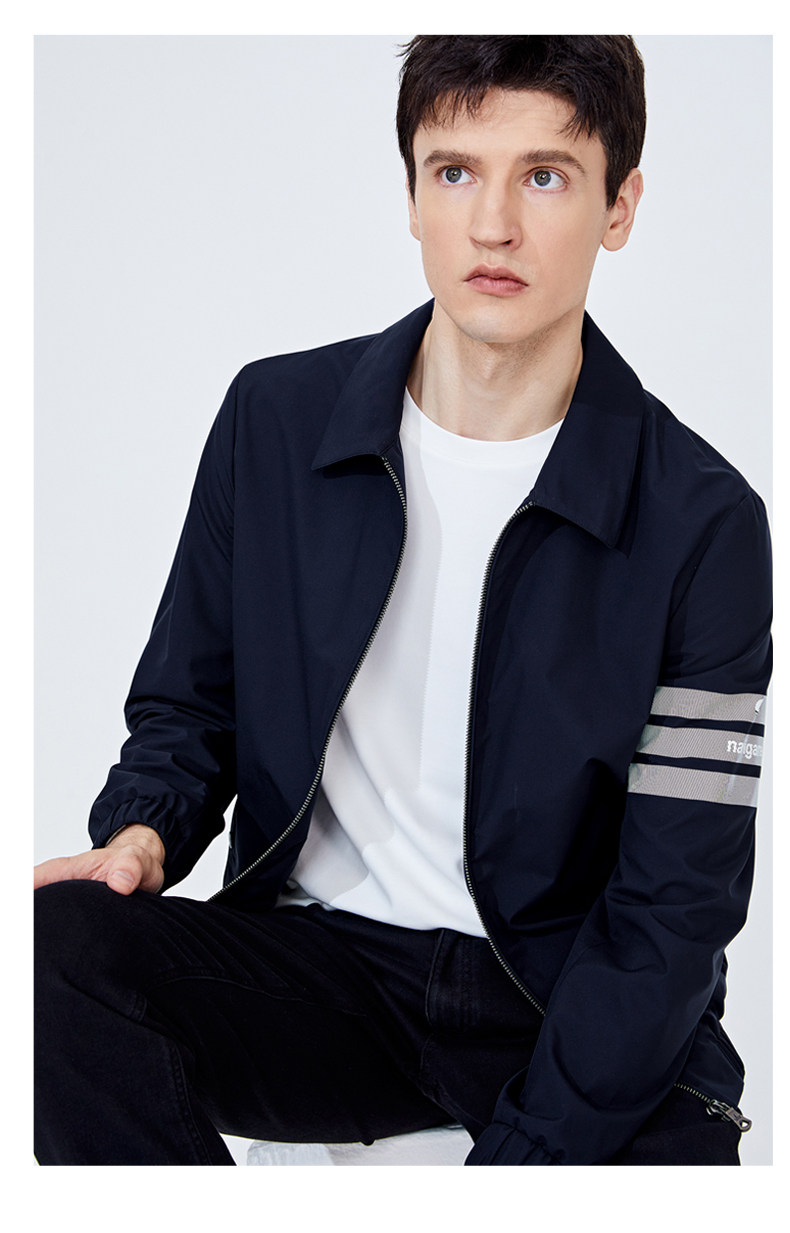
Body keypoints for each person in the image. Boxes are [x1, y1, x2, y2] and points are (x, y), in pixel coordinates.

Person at [34, 34, 772, 1166]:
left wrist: (522, 1167)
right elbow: (190, 707)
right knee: (50, 947)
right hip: (326, 976)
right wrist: (142, 833)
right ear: (413, 197)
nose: (493, 226)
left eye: (544, 176)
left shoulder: (702, 521)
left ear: (618, 206)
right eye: (455, 171)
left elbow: (675, 905)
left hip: (561, 1000)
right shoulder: (276, 423)